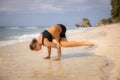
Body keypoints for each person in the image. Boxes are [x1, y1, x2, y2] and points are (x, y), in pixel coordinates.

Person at [29, 24, 94, 61]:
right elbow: (48, 47)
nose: (37, 50)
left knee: (61, 44)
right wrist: (49, 56)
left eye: (36, 49)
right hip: (59, 29)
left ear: (36, 45)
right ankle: (85, 42)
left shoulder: (44, 42)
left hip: (57, 29)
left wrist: (58, 57)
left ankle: (85, 43)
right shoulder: (39, 38)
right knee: (65, 44)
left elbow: (57, 46)